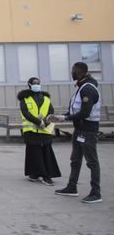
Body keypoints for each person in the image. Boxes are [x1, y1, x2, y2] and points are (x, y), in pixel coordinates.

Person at [50, 62, 102, 204]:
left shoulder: (88, 89)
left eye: (73, 70)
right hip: (79, 129)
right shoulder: (81, 88)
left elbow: (85, 113)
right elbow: (75, 110)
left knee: (92, 162)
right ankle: (72, 187)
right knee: (75, 160)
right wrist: (61, 116)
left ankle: (96, 192)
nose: (71, 73)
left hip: (88, 130)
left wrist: (65, 117)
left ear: (79, 72)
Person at [18, 77, 61, 186]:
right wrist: (38, 122)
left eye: (38, 83)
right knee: (34, 152)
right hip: (31, 130)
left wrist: (45, 122)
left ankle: (45, 174)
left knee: (47, 151)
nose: (37, 85)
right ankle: (40, 174)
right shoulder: (25, 98)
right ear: (29, 85)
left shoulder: (46, 98)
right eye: (34, 83)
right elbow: (25, 113)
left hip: (44, 129)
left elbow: (51, 111)